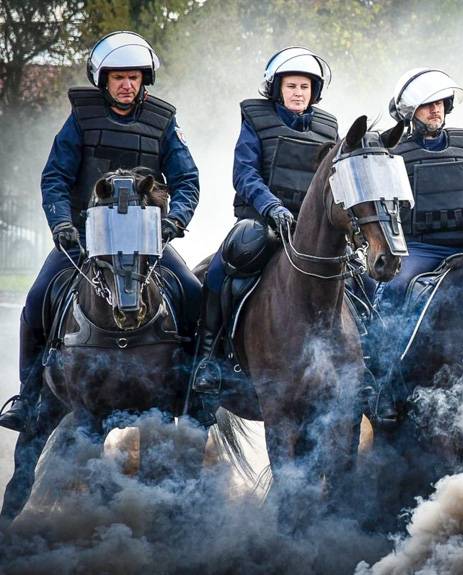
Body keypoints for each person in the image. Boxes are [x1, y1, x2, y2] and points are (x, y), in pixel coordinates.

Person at [0, 31, 201, 432]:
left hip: (147, 240)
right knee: (36, 300)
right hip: (86, 238)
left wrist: (174, 221)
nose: (127, 85)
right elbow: (55, 177)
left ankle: (197, 390)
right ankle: (28, 395)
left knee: (195, 295)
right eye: (118, 77)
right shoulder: (80, 119)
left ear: (144, 80)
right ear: (104, 81)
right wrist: (61, 224)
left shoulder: (164, 122)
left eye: (133, 77)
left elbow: (187, 180)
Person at [189, 47, 338, 401]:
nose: (298, 93)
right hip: (262, 220)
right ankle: (208, 358)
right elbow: (245, 173)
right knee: (221, 268)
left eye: (304, 86)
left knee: (356, 276)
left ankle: (363, 364)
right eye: (291, 86)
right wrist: (272, 207)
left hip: (310, 228)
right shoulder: (255, 120)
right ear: (277, 89)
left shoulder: (329, 127)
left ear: (314, 91)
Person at [376, 67, 463, 309]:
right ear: (410, 111)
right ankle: (381, 335)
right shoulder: (393, 153)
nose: (435, 109)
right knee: (394, 287)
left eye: (440, 103)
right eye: (427, 104)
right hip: (419, 249)